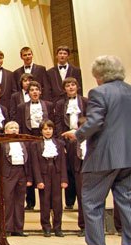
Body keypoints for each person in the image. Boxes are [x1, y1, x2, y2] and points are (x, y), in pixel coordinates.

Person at [62, 55, 131, 245]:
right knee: (130, 201)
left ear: (100, 75)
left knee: (91, 200)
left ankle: (96, 244)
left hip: (104, 156)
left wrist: (77, 135)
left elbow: (95, 121)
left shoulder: (99, 92)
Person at [54, 77, 87, 210]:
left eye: (73, 84)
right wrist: (61, 142)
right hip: (66, 140)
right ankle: (69, 201)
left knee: (80, 170)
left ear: (77, 86)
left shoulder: (85, 101)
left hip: (82, 139)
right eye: (68, 85)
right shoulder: (60, 104)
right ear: (64, 89)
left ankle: (83, 201)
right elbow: (57, 123)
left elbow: (89, 119)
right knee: (68, 170)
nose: (71, 87)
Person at [30, 120, 67, 237]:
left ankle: (58, 227)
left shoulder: (59, 143)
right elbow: (35, 164)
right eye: (45, 129)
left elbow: (63, 163)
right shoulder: (35, 144)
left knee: (57, 202)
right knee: (45, 202)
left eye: (50, 129)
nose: (48, 131)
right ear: (41, 131)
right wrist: (39, 180)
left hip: (56, 174)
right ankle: (46, 227)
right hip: (44, 174)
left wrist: (64, 179)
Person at [2, 121, 32, 236]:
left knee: (20, 202)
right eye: (11, 128)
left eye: (16, 127)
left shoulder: (23, 143)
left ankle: (18, 228)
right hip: (8, 174)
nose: (14, 129)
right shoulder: (2, 143)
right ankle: (7, 228)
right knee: (8, 201)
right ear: (6, 131)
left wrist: (28, 177)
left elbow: (28, 161)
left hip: (21, 173)